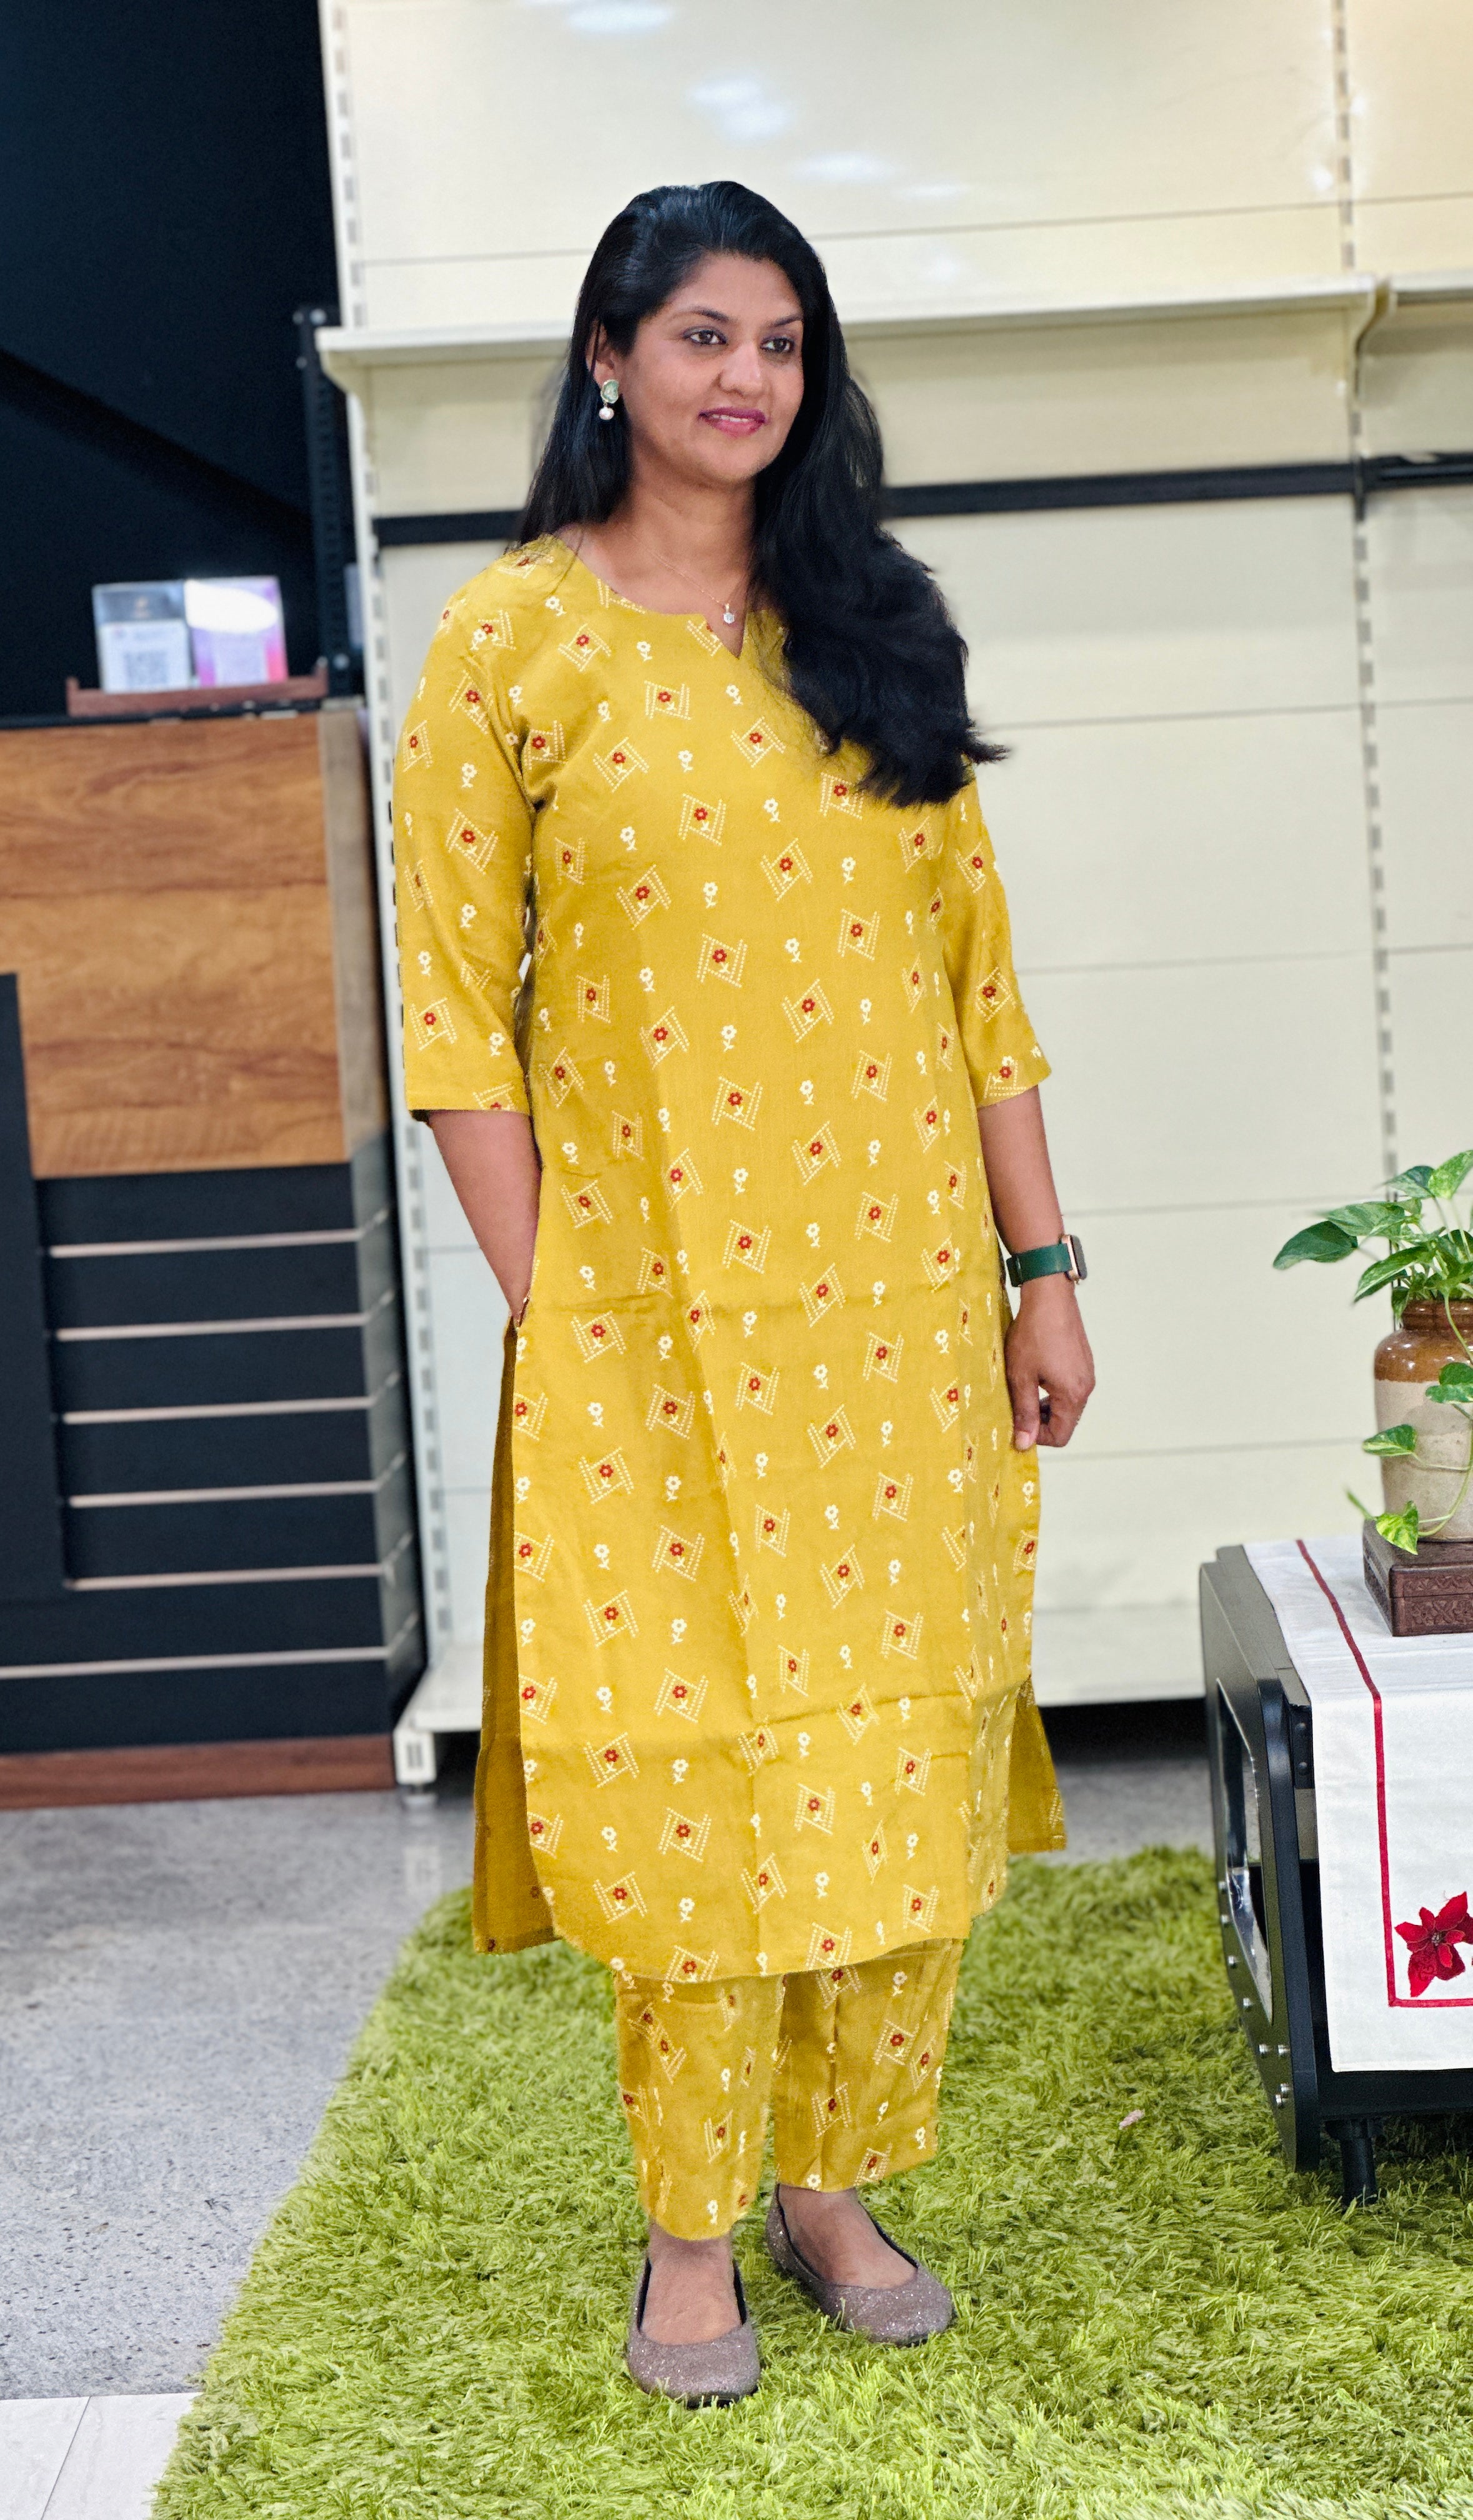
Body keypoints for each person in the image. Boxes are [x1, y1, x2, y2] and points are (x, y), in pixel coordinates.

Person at [394, 179, 1094, 2405]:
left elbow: (981, 988)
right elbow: (454, 1025)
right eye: (704, 334)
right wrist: (561, 1312)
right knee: (690, 1774)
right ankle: (688, 2229)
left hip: (898, 1319)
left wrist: (1044, 1273)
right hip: (659, 1333)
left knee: (892, 1756)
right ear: (609, 357)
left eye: (783, 342)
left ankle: (834, 2182)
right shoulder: (509, 642)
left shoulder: (872, 625)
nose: (747, 379)